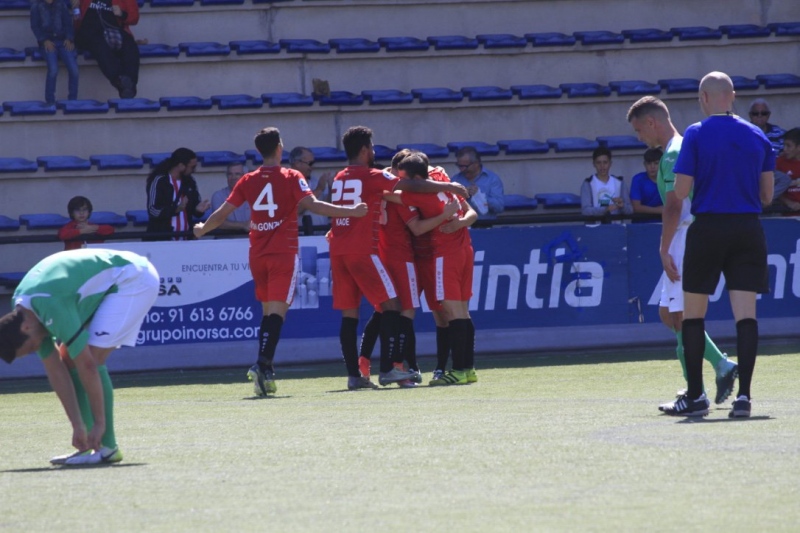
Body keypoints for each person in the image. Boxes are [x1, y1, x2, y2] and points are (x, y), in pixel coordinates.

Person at [194, 127, 368, 396]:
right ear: (279, 148)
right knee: (277, 314)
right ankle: (262, 364)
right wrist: (351, 211)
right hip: (282, 254)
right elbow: (314, 205)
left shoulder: (248, 179)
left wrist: (202, 228)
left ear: (259, 150)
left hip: (257, 254)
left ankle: (266, 370)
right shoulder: (291, 176)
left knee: (268, 313)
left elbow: (222, 212)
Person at [661, 72, 774, 418]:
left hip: (708, 228)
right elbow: (767, 196)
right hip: (747, 229)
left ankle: (696, 396)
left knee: (693, 315)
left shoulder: (696, 133)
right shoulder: (758, 135)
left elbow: (681, 191)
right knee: (746, 316)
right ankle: (744, 398)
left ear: (704, 98)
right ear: (733, 96)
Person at [329, 126, 468, 390]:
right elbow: (413, 199)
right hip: (391, 253)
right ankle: (395, 367)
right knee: (399, 308)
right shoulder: (378, 180)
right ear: (365, 150)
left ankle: (357, 372)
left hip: (341, 249)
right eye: (371, 147)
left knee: (358, 313)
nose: (373, 151)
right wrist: (449, 186)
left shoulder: (339, 177)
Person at [626, 95, 739, 411]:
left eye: (639, 130)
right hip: (687, 235)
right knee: (670, 314)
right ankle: (718, 366)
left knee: (681, 316)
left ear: (652, 122)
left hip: (685, 237)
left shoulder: (674, 152)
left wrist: (664, 248)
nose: (639, 137)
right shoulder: (678, 149)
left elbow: (674, 205)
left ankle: (696, 393)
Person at [0, 248, 159, 465]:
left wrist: (99, 423)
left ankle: (107, 447)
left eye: (30, 348)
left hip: (133, 277)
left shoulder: (49, 305)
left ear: (26, 328)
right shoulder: (23, 312)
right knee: (68, 358)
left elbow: (88, 366)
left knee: (91, 358)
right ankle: (87, 446)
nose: (36, 350)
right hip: (103, 284)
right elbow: (56, 370)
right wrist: (77, 426)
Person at [391, 152, 479, 386]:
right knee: (463, 311)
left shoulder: (414, 194)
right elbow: (468, 210)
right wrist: (459, 219)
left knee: (452, 313)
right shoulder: (440, 174)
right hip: (464, 248)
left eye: (405, 178)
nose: (402, 181)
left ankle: (457, 370)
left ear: (416, 179)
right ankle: (468, 368)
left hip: (445, 254)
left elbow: (389, 192)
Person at [75, 0, 139, 98]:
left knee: (130, 46)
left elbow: (134, 17)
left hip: (113, 29)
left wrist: (122, 14)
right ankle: (119, 80)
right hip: (89, 31)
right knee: (98, 44)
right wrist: (75, 8)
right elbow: (77, 18)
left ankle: (130, 83)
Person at [145, 148, 210, 241]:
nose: (194, 170)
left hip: (186, 239)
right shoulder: (159, 181)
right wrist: (175, 209)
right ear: (181, 166)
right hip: (162, 240)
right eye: (192, 167)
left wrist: (198, 209)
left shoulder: (190, 182)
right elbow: (153, 210)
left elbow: (193, 209)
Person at [30, 0, 79, 104]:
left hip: (62, 41)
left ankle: (73, 100)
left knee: (74, 69)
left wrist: (69, 38)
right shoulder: (36, 6)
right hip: (47, 42)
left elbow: (68, 24)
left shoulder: (61, 5)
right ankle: (50, 101)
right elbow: (35, 27)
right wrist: (44, 40)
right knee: (53, 69)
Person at [451, 146, 505, 219]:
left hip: (486, 223)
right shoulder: (455, 180)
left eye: (465, 166)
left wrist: (481, 196)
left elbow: (499, 207)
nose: (462, 170)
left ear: (476, 163)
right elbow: (447, 207)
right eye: (459, 166)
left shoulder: (492, 179)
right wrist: (461, 196)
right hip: (462, 224)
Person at [289, 147, 334, 234]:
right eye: (310, 163)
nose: (312, 167)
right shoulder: (288, 182)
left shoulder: (314, 181)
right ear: (297, 163)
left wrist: (331, 189)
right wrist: (319, 189)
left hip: (322, 233)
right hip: (302, 235)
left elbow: (325, 204)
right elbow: (296, 209)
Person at [580, 147, 633, 219]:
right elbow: (585, 211)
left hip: (616, 225)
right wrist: (605, 210)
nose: (602, 166)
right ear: (594, 164)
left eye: (605, 162)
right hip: (595, 225)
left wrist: (622, 206)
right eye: (598, 163)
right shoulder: (588, 183)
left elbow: (630, 210)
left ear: (610, 163)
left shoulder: (620, 182)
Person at [209, 163, 250, 233]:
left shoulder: (255, 195)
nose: (233, 177)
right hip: (226, 238)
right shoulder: (218, 196)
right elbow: (217, 222)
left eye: (237, 174)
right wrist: (243, 225)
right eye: (230, 174)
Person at [629, 148, 664, 221]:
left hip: (664, 223)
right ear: (644, 164)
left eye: (656, 163)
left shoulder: (667, 180)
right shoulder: (638, 180)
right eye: (649, 163)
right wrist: (659, 210)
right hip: (641, 224)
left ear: (662, 164)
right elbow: (636, 207)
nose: (652, 167)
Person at [776, 128, 800, 214]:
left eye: (788, 146)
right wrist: (789, 203)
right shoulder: (779, 162)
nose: (784, 149)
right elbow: (774, 189)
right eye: (784, 145)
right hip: (785, 212)